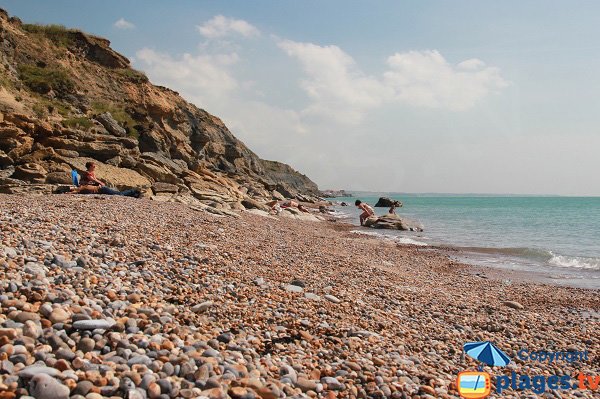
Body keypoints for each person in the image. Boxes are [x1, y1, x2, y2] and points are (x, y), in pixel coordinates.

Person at [70, 162, 140, 197]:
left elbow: (95, 180)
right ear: (90, 166)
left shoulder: (92, 173)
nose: (95, 167)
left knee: (117, 193)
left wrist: (100, 183)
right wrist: (101, 183)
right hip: (98, 188)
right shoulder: (87, 173)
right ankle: (133, 191)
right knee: (118, 194)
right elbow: (93, 180)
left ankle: (133, 193)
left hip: (98, 188)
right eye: (93, 166)